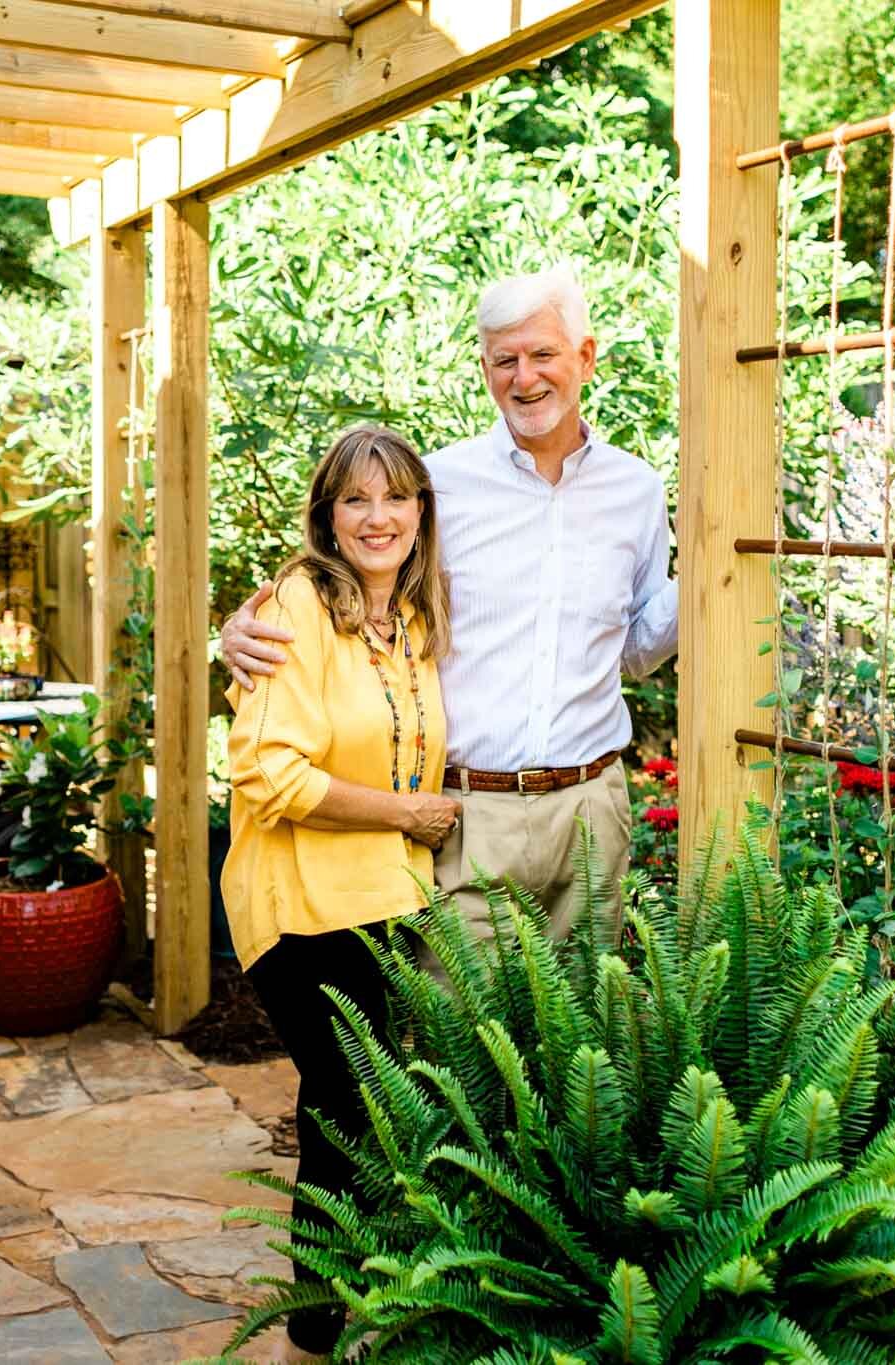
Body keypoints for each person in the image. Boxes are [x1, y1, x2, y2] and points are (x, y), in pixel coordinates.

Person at [222, 266, 678, 945]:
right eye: (505, 360)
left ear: (585, 355)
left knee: (584, 1038)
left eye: (543, 354)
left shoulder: (636, 490)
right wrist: (240, 628)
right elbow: (343, 578)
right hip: (467, 812)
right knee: (463, 1039)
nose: (525, 378)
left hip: (592, 805)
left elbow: (637, 652)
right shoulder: (437, 486)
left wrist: (703, 578)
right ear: (486, 368)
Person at [222, 425, 460, 1360]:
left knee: (367, 1115)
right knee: (343, 1112)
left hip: (386, 903)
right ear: (328, 514)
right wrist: (405, 813)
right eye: (357, 499)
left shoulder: (408, 617)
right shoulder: (296, 606)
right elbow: (270, 774)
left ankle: (361, 1314)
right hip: (303, 904)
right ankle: (314, 1338)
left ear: (420, 513)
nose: (378, 516)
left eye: (396, 497)